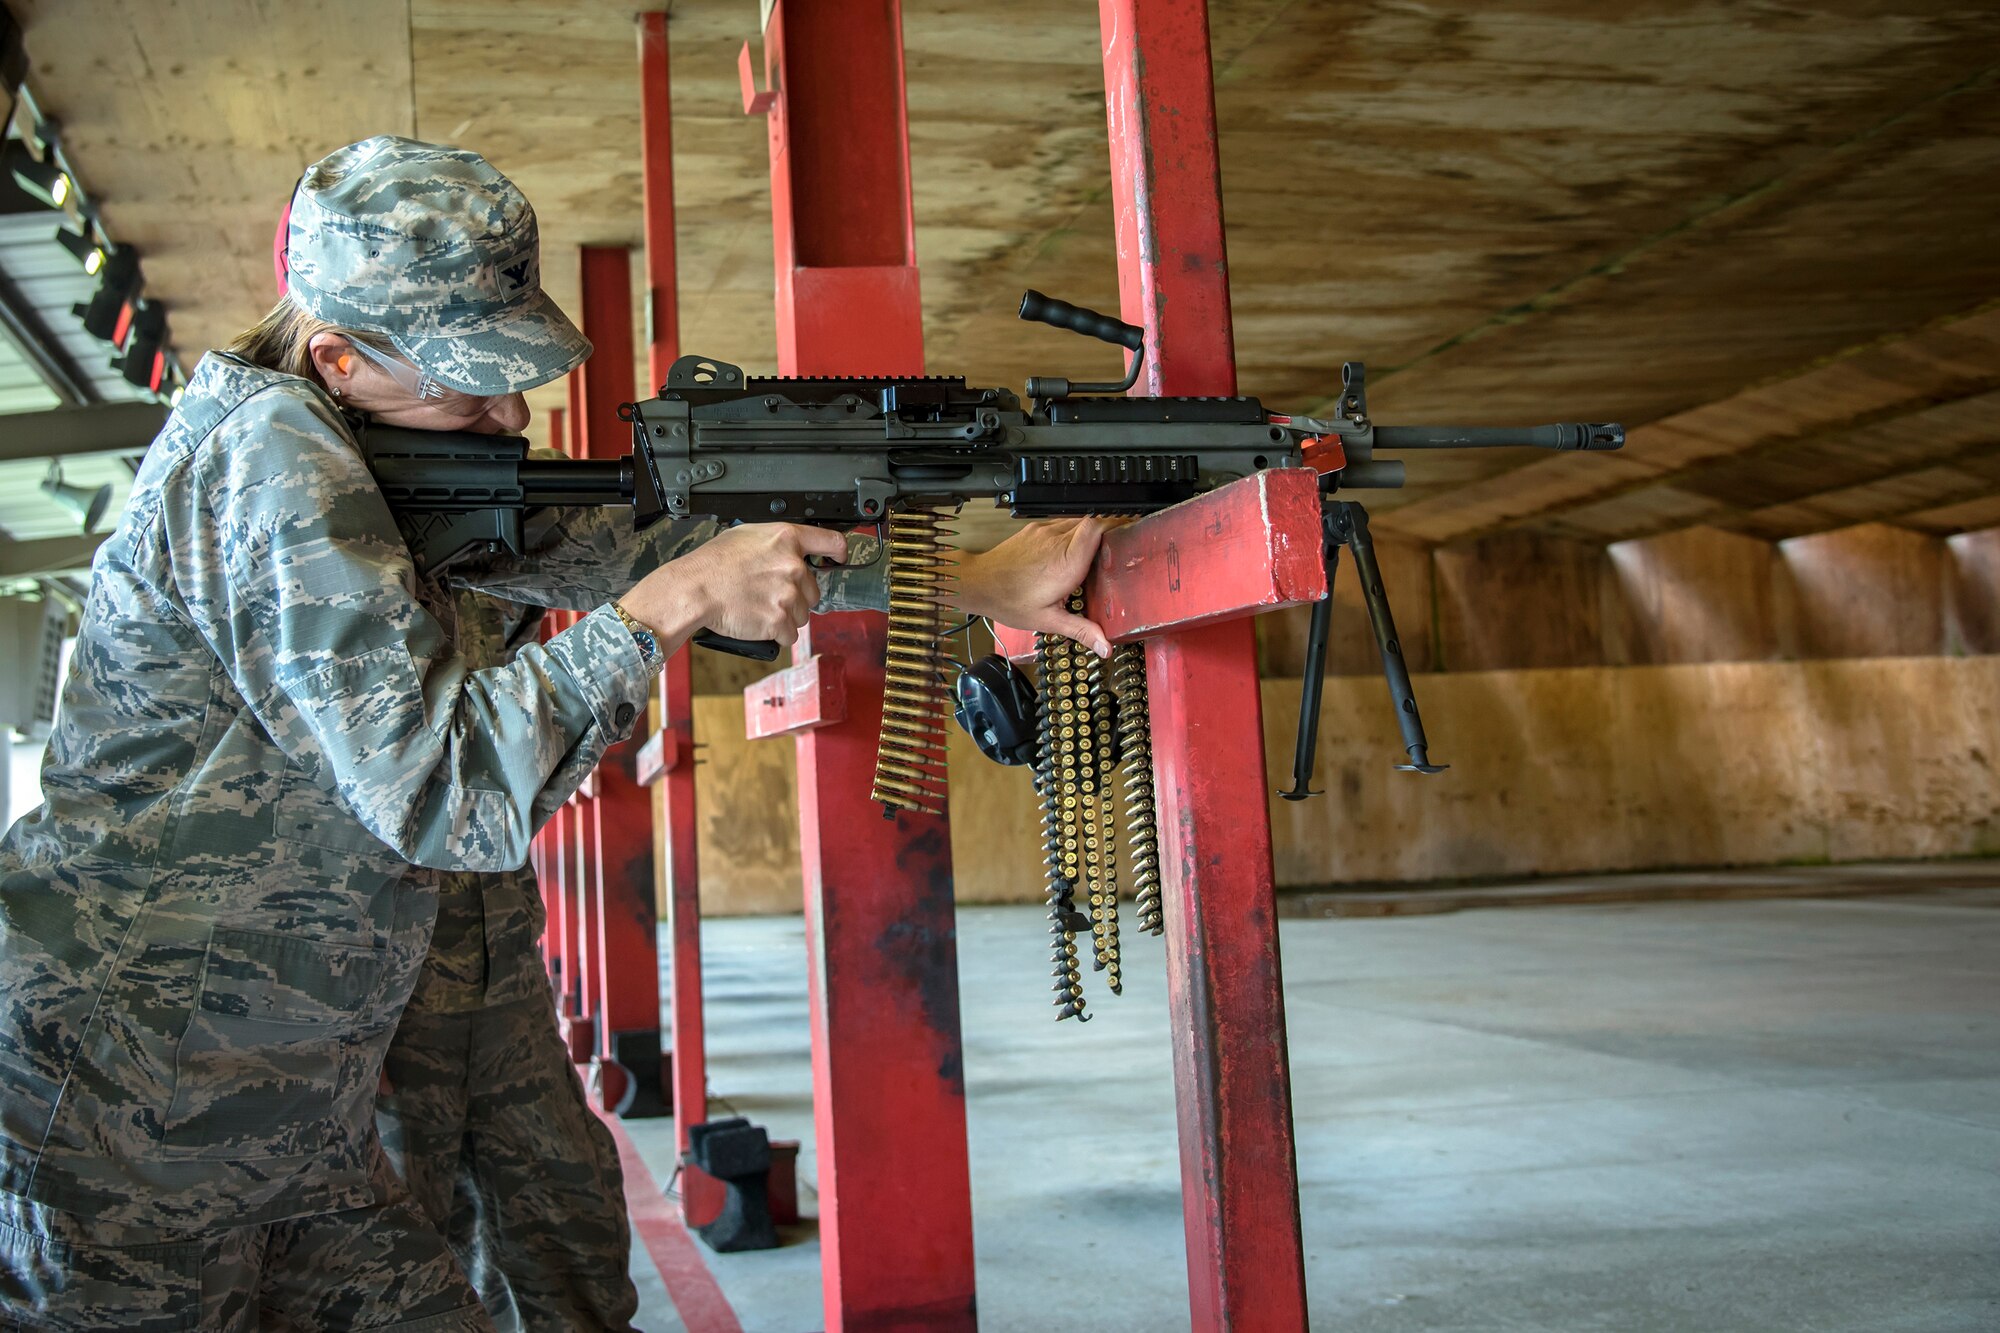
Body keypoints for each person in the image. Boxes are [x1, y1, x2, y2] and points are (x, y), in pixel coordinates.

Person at [0, 135, 1109, 1331]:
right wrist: (669, 610)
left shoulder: (386, 468)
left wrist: (967, 584)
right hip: (130, 1130)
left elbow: (633, 552)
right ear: (336, 355)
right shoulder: (266, 448)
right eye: (470, 380)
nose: (508, 409)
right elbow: (444, 789)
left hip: (282, 1115)